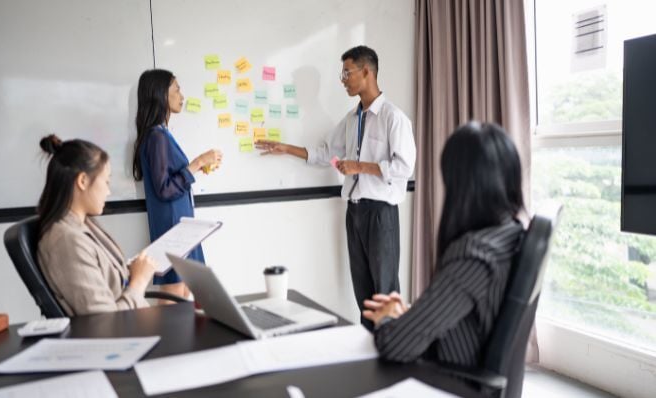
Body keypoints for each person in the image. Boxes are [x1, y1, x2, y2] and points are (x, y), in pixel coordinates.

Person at [255, 45, 416, 330]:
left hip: (381, 215)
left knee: (385, 292)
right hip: (354, 214)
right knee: (363, 293)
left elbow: (404, 167)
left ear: (366, 72)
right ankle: (370, 354)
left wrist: (360, 166)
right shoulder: (352, 120)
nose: (342, 79)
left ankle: (393, 352)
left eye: (347, 72)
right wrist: (286, 149)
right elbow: (325, 153)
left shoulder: (394, 118)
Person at [362, 121, 526, 368]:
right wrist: (408, 316)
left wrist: (386, 320)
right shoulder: (510, 234)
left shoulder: (474, 256)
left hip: (450, 381)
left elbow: (395, 345)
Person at [37, 135, 157, 316]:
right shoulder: (66, 241)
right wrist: (139, 282)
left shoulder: (81, 225)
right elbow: (105, 322)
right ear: (83, 181)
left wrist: (132, 271)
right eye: (106, 182)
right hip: (125, 335)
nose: (108, 192)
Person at [133, 69, 223, 300]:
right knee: (174, 295)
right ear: (162, 95)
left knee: (184, 293)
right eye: (177, 89)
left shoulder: (161, 133)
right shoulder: (157, 136)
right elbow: (164, 189)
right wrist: (197, 163)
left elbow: (171, 179)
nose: (182, 95)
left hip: (180, 223)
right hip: (172, 226)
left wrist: (195, 168)